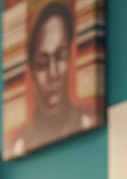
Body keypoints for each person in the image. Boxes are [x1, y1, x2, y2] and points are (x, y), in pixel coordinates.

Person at [6, 0, 94, 159]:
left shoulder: (88, 120)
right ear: (31, 69)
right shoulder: (17, 145)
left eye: (61, 56)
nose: (53, 74)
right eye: (42, 64)